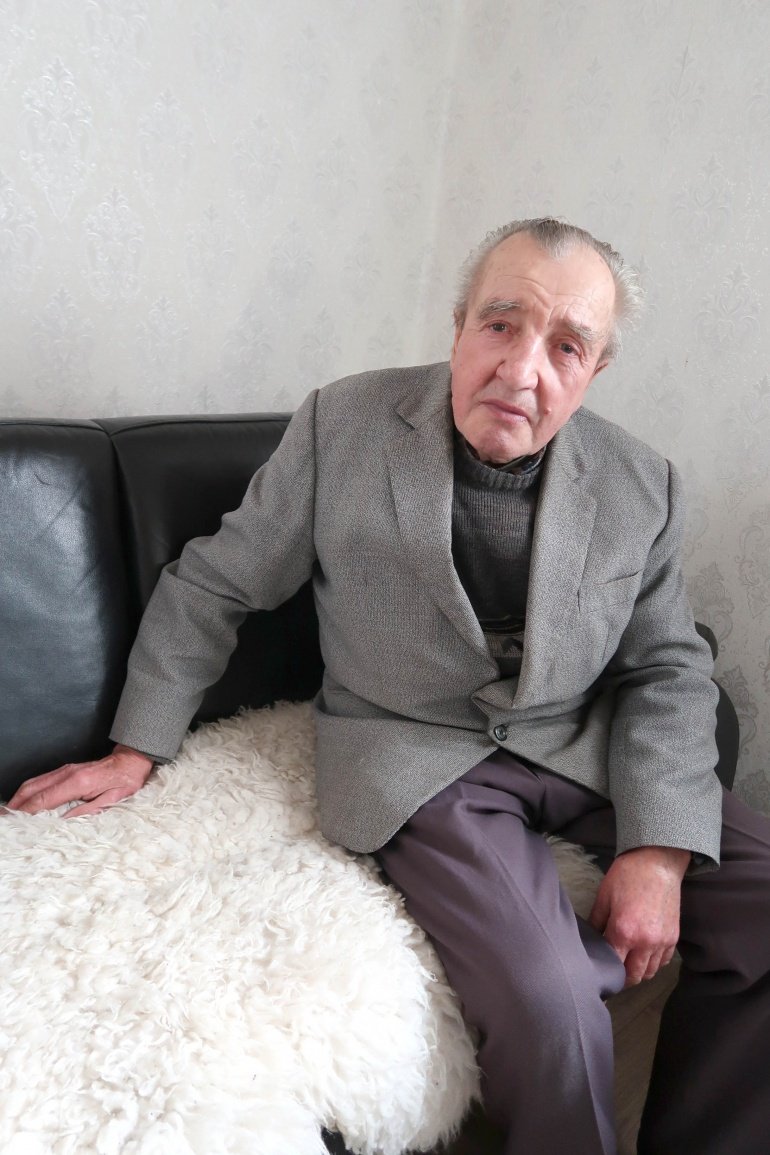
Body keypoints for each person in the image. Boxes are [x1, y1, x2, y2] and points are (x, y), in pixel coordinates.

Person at [9, 218, 770, 1155]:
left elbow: (668, 668)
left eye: (566, 346)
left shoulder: (643, 482)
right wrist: (135, 748)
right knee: (549, 996)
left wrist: (659, 846)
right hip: (419, 752)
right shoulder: (342, 425)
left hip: (584, 739)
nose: (522, 369)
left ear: (596, 370)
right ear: (459, 325)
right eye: (500, 324)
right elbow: (214, 584)